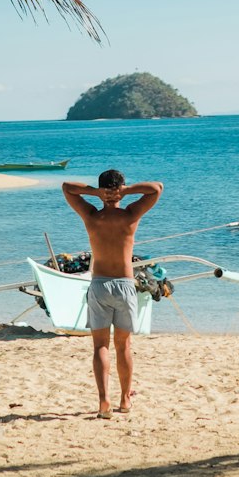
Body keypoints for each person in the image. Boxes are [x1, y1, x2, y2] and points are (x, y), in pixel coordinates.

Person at [61, 169, 163, 418]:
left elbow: (67, 187)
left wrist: (95, 193)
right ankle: (125, 400)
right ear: (121, 189)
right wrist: (126, 192)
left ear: (101, 190)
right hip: (125, 285)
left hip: (99, 285)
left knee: (100, 347)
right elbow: (156, 187)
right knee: (124, 346)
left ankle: (104, 402)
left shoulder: (92, 216)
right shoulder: (129, 215)